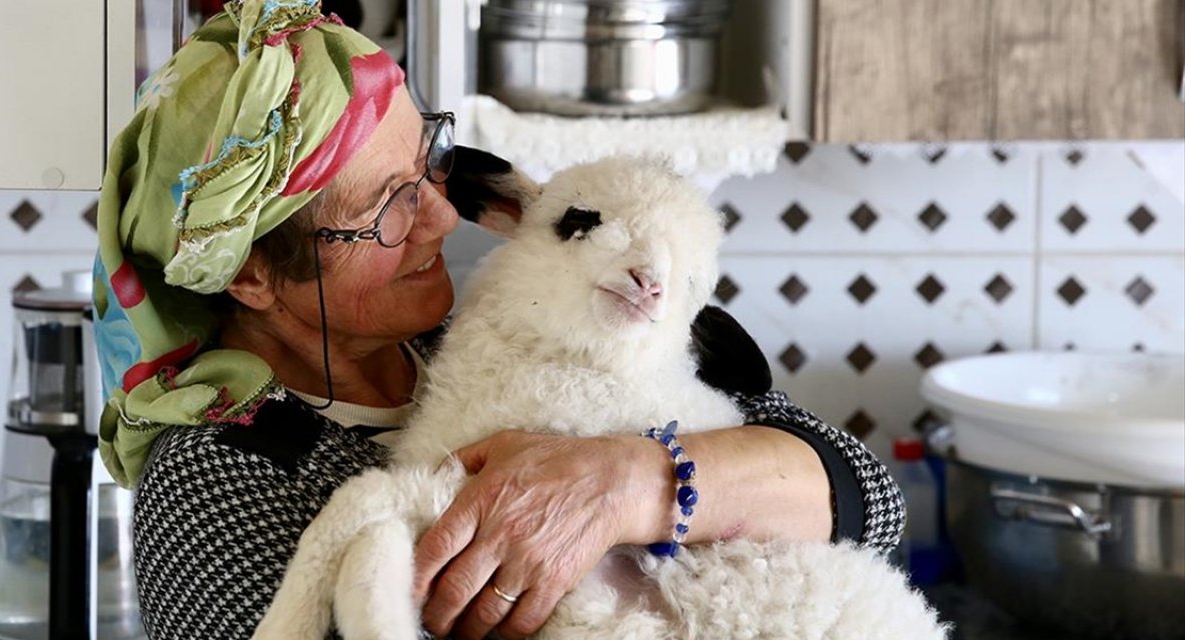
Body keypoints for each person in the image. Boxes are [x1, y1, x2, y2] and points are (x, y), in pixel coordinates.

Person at [92, 2, 905, 639]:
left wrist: (626, 483)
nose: (443, 218)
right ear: (251, 276)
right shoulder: (215, 475)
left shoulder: (505, 317)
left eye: (427, 165)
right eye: (386, 208)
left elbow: (866, 502)